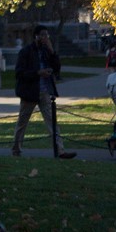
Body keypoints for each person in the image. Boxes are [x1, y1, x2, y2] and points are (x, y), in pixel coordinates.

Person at [11, 25, 76, 159]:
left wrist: (52, 52)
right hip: (30, 92)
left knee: (52, 122)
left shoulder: (47, 51)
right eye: (42, 35)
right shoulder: (26, 51)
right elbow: (19, 73)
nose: (45, 38)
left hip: (45, 91)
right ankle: (16, 149)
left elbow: (57, 68)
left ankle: (60, 150)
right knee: (22, 122)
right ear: (36, 36)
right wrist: (38, 73)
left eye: (47, 35)